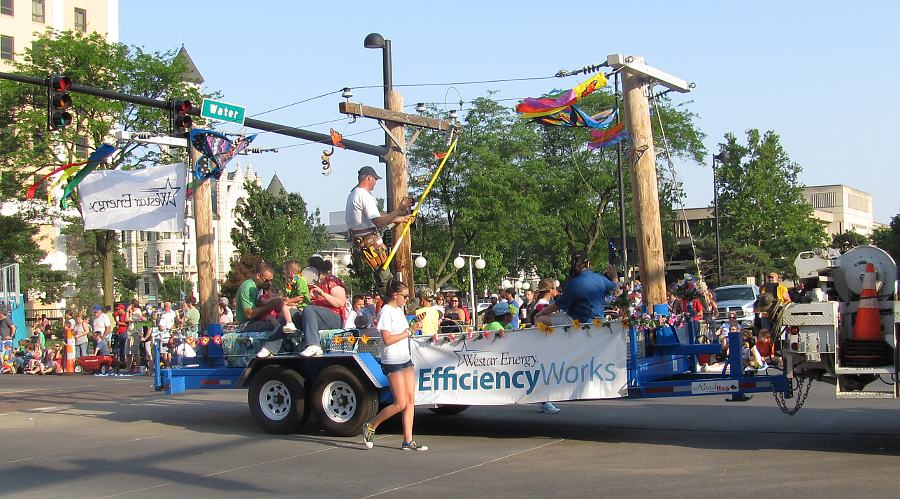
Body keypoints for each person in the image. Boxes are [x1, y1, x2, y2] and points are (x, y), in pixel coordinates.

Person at [363, 281, 428, 451]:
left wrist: (414, 322)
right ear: (395, 295)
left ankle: (408, 440)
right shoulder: (386, 312)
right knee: (400, 403)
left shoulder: (399, 311)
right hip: (392, 360)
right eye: (405, 296)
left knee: (410, 401)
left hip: (405, 358)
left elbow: (403, 331)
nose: (407, 300)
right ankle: (371, 426)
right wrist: (409, 331)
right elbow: (387, 339)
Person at [345, 165, 413, 292]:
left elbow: (377, 217)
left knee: (382, 278)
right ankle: (392, 302)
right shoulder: (364, 196)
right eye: (375, 179)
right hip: (370, 243)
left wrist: (401, 219)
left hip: (362, 242)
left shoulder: (353, 194)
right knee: (386, 280)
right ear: (369, 178)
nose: (375, 183)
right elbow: (379, 222)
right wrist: (399, 210)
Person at [535, 250, 619, 325]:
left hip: (577, 321)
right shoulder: (600, 278)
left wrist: (541, 313)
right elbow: (616, 290)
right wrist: (615, 277)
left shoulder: (572, 283)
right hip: (598, 321)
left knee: (539, 319)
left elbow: (558, 306)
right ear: (588, 264)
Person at [298, 256, 347, 357]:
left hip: (335, 318)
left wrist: (323, 294)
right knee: (291, 313)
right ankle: (271, 347)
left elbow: (340, 303)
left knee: (309, 309)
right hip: (316, 318)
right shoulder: (311, 284)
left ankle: (314, 344)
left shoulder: (332, 281)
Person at [237, 262, 288, 358]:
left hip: (259, 319)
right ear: (258, 276)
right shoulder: (248, 287)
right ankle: (271, 349)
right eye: (266, 280)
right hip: (247, 323)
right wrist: (271, 304)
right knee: (278, 325)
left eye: (270, 280)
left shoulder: (261, 288)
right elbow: (249, 314)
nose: (269, 283)